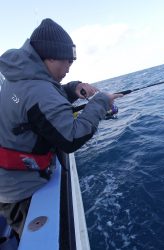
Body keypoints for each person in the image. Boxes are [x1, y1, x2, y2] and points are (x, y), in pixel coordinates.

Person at [0, 18, 123, 241]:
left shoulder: (20, 75)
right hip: (21, 191)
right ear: (51, 55)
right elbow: (71, 138)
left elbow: (39, 106)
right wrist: (101, 101)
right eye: (68, 60)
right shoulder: (39, 90)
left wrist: (73, 88)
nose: (69, 66)